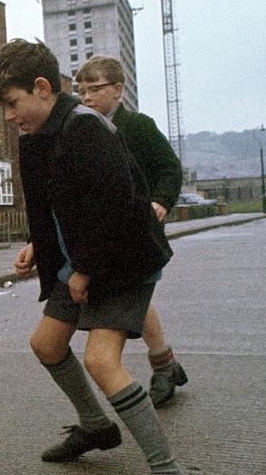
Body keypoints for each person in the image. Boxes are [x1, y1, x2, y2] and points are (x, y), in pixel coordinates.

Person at [0, 39, 200, 475]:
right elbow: (56, 206)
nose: (11, 116)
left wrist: (83, 270)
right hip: (83, 257)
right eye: (4, 109)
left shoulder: (86, 128)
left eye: (14, 104)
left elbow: (117, 208)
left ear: (42, 88)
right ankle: (97, 426)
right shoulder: (36, 135)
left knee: (102, 360)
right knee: (46, 344)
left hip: (123, 258)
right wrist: (41, 246)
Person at [74, 56, 188, 407]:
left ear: (118, 90)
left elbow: (170, 169)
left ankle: (157, 368)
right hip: (110, 234)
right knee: (139, 296)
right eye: (81, 91)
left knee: (132, 296)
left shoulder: (138, 126)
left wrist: (160, 203)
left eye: (96, 90)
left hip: (140, 230)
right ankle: (166, 363)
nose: (87, 98)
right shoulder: (84, 131)